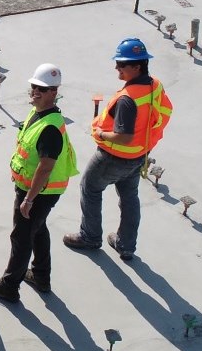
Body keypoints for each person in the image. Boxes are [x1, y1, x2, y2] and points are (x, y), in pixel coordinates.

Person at [65, 38, 174, 261]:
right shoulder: (154, 85)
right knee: (129, 197)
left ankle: (90, 237)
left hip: (114, 157)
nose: (117, 68)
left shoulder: (127, 100)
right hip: (139, 155)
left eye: (122, 64)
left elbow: (123, 137)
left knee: (90, 188)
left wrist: (100, 134)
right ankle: (126, 245)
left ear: (137, 66)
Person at [0, 64, 78, 302]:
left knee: (22, 236)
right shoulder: (38, 114)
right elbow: (27, 150)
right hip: (34, 189)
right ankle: (40, 275)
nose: (35, 92)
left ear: (54, 92)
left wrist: (29, 198)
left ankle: (8, 286)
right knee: (37, 229)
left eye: (42, 89)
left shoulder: (49, 128)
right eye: (34, 87)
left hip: (39, 192)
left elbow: (45, 166)